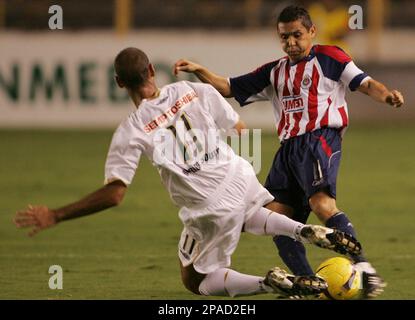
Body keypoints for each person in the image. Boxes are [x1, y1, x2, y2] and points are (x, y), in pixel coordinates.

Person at [13, 47, 361, 298]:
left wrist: (57, 214)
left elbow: (115, 194)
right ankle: (304, 229)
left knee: (195, 278)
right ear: (152, 70)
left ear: (120, 83)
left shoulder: (131, 129)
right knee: (251, 214)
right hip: (237, 173)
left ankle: (269, 283)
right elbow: (237, 125)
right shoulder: (190, 90)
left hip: (207, 203)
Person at [174, 5, 404, 299]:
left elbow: (365, 82)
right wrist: (200, 71)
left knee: (322, 205)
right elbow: (229, 88)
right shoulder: (274, 71)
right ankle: (311, 286)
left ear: (311, 32)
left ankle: (365, 270)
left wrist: (388, 96)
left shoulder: (330, 57)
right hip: (288, 151)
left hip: (319, 140)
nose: (291, 43)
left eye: (297, 35)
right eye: (284, 37)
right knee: (278, 224)